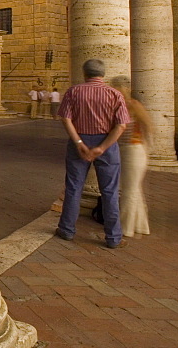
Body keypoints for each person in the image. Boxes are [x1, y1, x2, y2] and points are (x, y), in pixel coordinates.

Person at [55, 59, 132, 249]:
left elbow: (65, 118)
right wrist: (102, 147)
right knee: (109, 191)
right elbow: (121, 125)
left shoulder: (74, 92)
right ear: (103, 74)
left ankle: (66, 230)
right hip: (107, 143)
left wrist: (79, 142)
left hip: (78, 141)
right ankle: (113, 238)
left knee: (74, 187)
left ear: (84, 73)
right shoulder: (114, 94)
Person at [110, 76, 152, 238]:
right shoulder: (119, 106)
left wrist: (146, 149)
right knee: (134, 189)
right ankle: (141, 226)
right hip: (126, 150)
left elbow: (148, 127)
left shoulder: (133, 105)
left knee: (130, 190)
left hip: (134, 150)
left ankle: (125, 228)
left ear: (125, 88)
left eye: (116, 87)